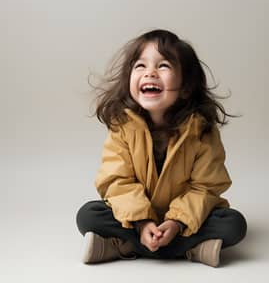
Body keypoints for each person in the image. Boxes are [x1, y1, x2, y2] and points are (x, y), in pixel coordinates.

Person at [76, 29, 247, 267]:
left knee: (233, 223)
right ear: (130, 81)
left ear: (186, 86)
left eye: (163, 65)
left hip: (185, 218)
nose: (150, 73)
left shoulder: (201, 130)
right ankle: (190, 249)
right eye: (140, 66)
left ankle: (126, 246)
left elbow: (206, 187)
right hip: (135, 219)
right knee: (88, 215)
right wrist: (143, 223)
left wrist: (176, 223)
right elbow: (116, 182)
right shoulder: (122, 126)